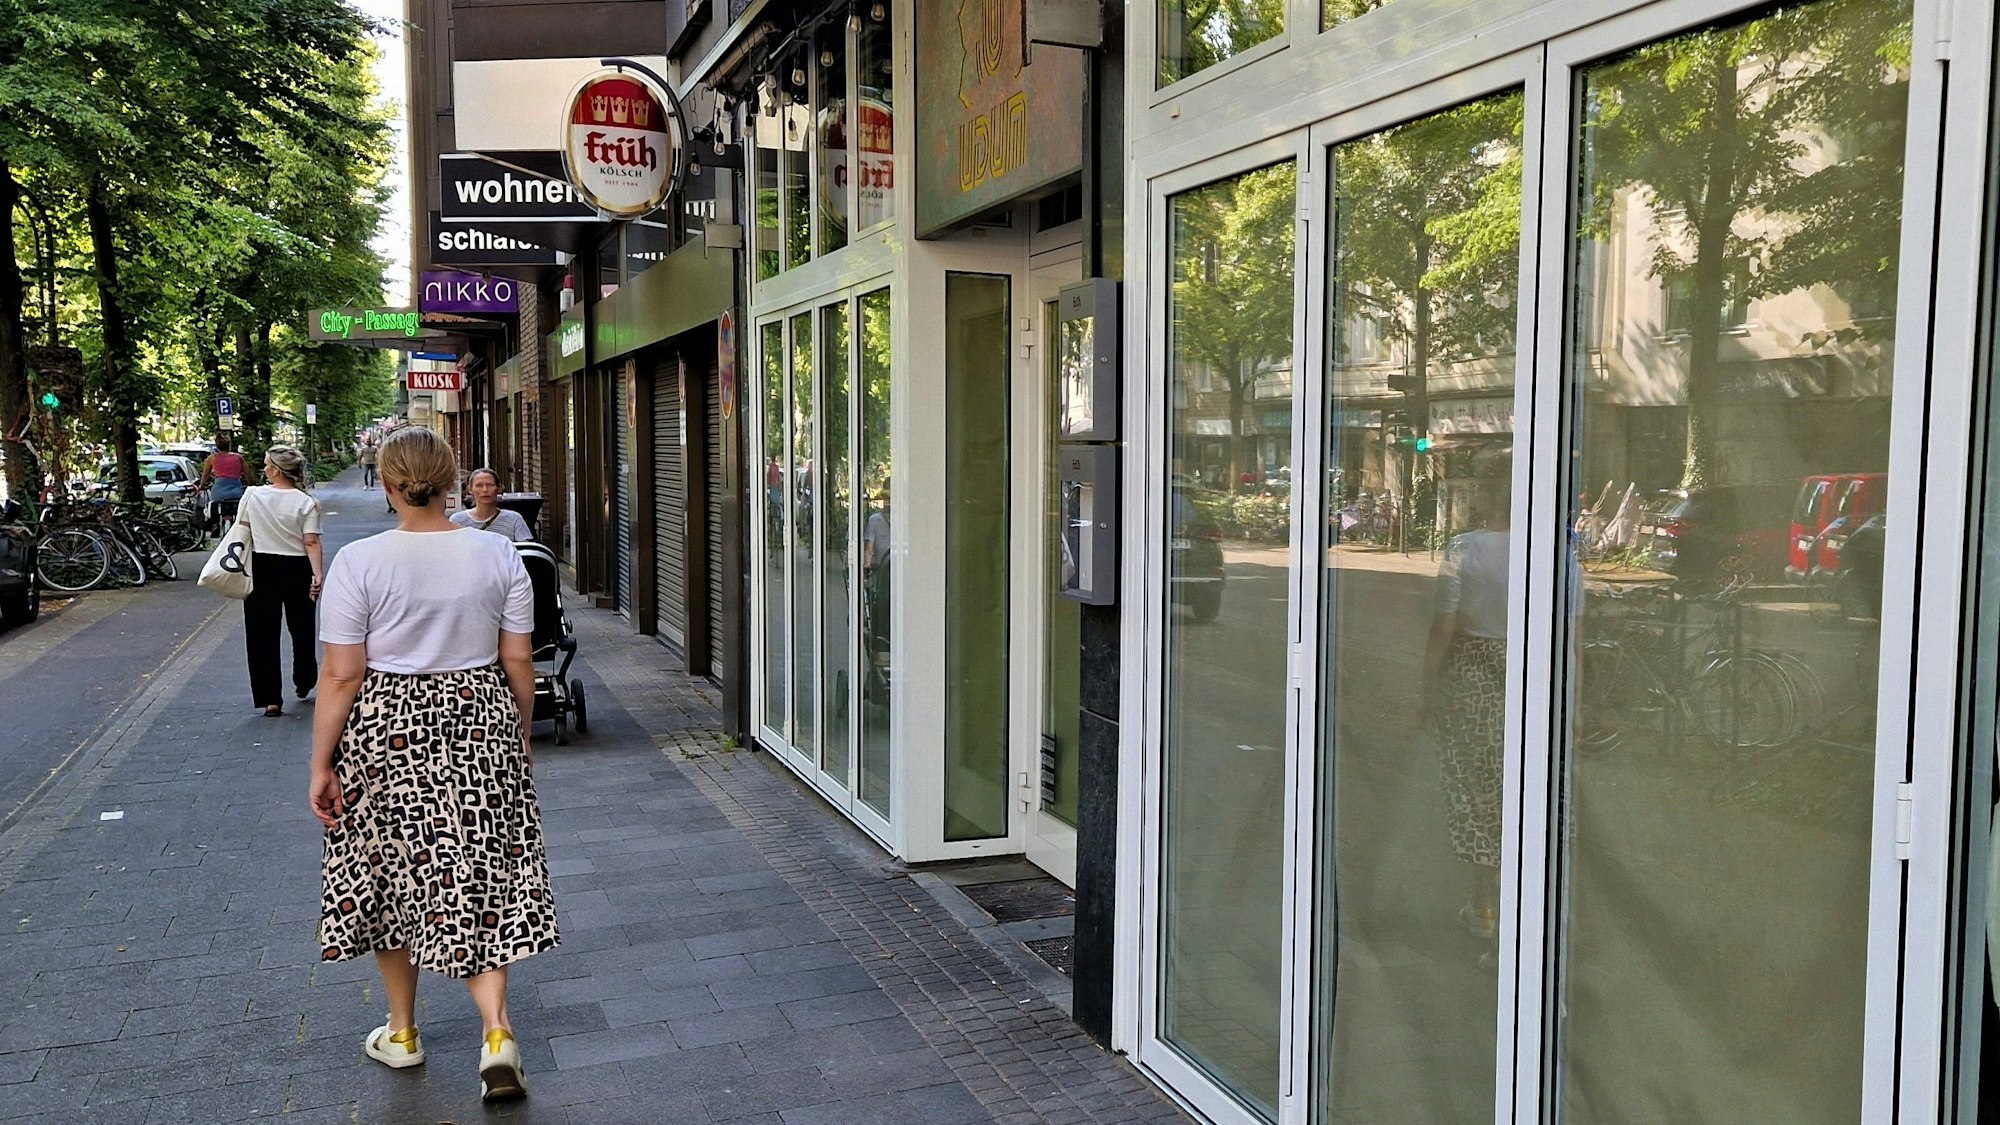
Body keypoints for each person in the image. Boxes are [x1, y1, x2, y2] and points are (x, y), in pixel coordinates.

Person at [309, 425, 555, 1102]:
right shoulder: (499, 553)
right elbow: (518, 660)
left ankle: (404, 1030)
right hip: (481, 712)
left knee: (390, 871)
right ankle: (497, 1031)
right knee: (485, 866)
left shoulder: (360, 561)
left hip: (388, 728)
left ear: (386, 485)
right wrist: (521, 732)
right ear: (452, 483)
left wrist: (321, 762)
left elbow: (341, 674)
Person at [1421, 463, 1511, 957]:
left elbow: (1443, 628)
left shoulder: (1464, 549)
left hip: (1473, 678)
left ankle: (1484, 908)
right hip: (1531, 678)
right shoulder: (1556, 551)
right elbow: (1575, 640)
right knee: (1523, 798)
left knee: (1478, 795)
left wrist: (1427, 689)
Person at [237, 445, 323, 716]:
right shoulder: (306, 502)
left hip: (261, 566)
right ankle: (305, 679)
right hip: (297, 567)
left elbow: (243, 531)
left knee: (261, 633)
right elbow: (311, 542)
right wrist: (317, 574)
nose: (263, 469)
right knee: (302, 628)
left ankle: (270, 697)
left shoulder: (252, 496)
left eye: (266, 464)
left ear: (275, 469)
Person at [451, 468, 533, 541]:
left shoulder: (514, 519)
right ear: (470, 489)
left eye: (490, 485)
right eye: (479, 485)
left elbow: (525, 551)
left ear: (499, 488)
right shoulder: (457, 520)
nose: (485, 490)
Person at [200, 436, 247, 534]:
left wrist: (202, 486)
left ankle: (215, 524)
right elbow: (249, 475)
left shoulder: (212, 458)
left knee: (213, 504)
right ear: (229, 445)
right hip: (236, 492)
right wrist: (250, 485)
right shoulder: (239, 458)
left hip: (219, 493)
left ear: (217, 446)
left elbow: (205, 476)